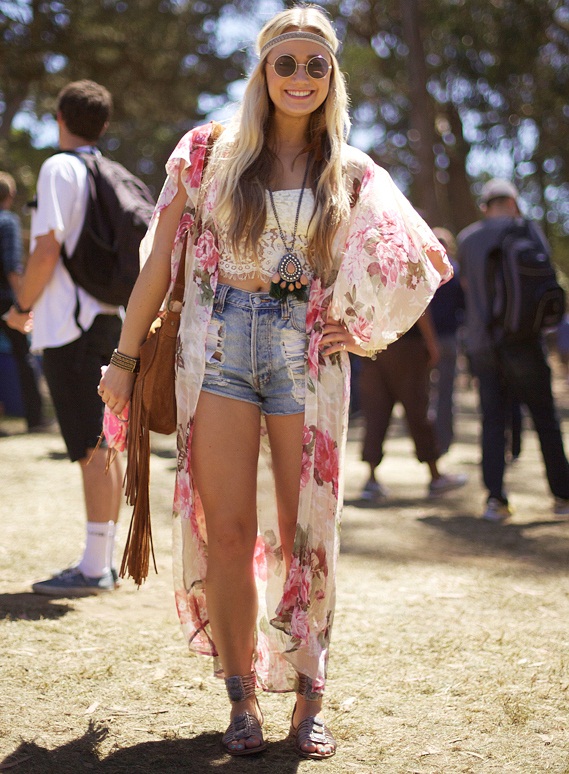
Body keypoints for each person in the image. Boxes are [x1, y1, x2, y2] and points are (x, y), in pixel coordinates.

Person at [99, 6, 451, 759]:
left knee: (305, 535)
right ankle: (242, 698)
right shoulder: (206, 152)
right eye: (284, 62)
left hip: (305, 357)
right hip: (218, 348)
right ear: (262, 71)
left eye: (315, 65)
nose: (299, 77)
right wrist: (124, 361)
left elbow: (417, 259)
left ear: (332, 78)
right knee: (226, 533)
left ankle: (310, 697)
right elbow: (158, 263)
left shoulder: (351, 171)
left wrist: (364, 328)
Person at [5, 81, 124, 594]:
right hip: (111, 319)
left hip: (69, 328)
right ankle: (102, 559)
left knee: (90, 446)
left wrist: (21, 308)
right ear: (103, 123)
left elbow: (46, 248)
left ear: (60, 118)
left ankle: (95, 569)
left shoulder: (59, 167)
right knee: (106, 443)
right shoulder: (109, 171)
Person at [458, 178, 569, 521]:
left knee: (493, 420)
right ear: (513, 202)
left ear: (485, 206)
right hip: (523, 341)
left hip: (482, 343)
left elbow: (466, 288)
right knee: (544, 418)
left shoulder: (467, 239)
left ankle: (495, 500)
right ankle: (563, 496)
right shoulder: (526, 229)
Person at [358, 311, 468, 501]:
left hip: (373, 346)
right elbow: (418, 306)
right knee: (417, 409)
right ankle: (435, 476)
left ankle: (371, 478)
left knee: (376, 412)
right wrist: (431, 342)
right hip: (406, 344)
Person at [0, 172, 46, 431]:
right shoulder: (8, 221)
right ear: (10, 195)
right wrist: (23, 303)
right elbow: (12, 265)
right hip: (5, 300)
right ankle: (35, 419)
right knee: (23, 357)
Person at [428, 227, 465, 455]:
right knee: (445, 392)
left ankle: (433, 440)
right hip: (446, 339)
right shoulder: (455, 272)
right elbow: (464, 306)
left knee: (429, 392)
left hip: (430, 340)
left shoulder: (423, 271)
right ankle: (442, 440)